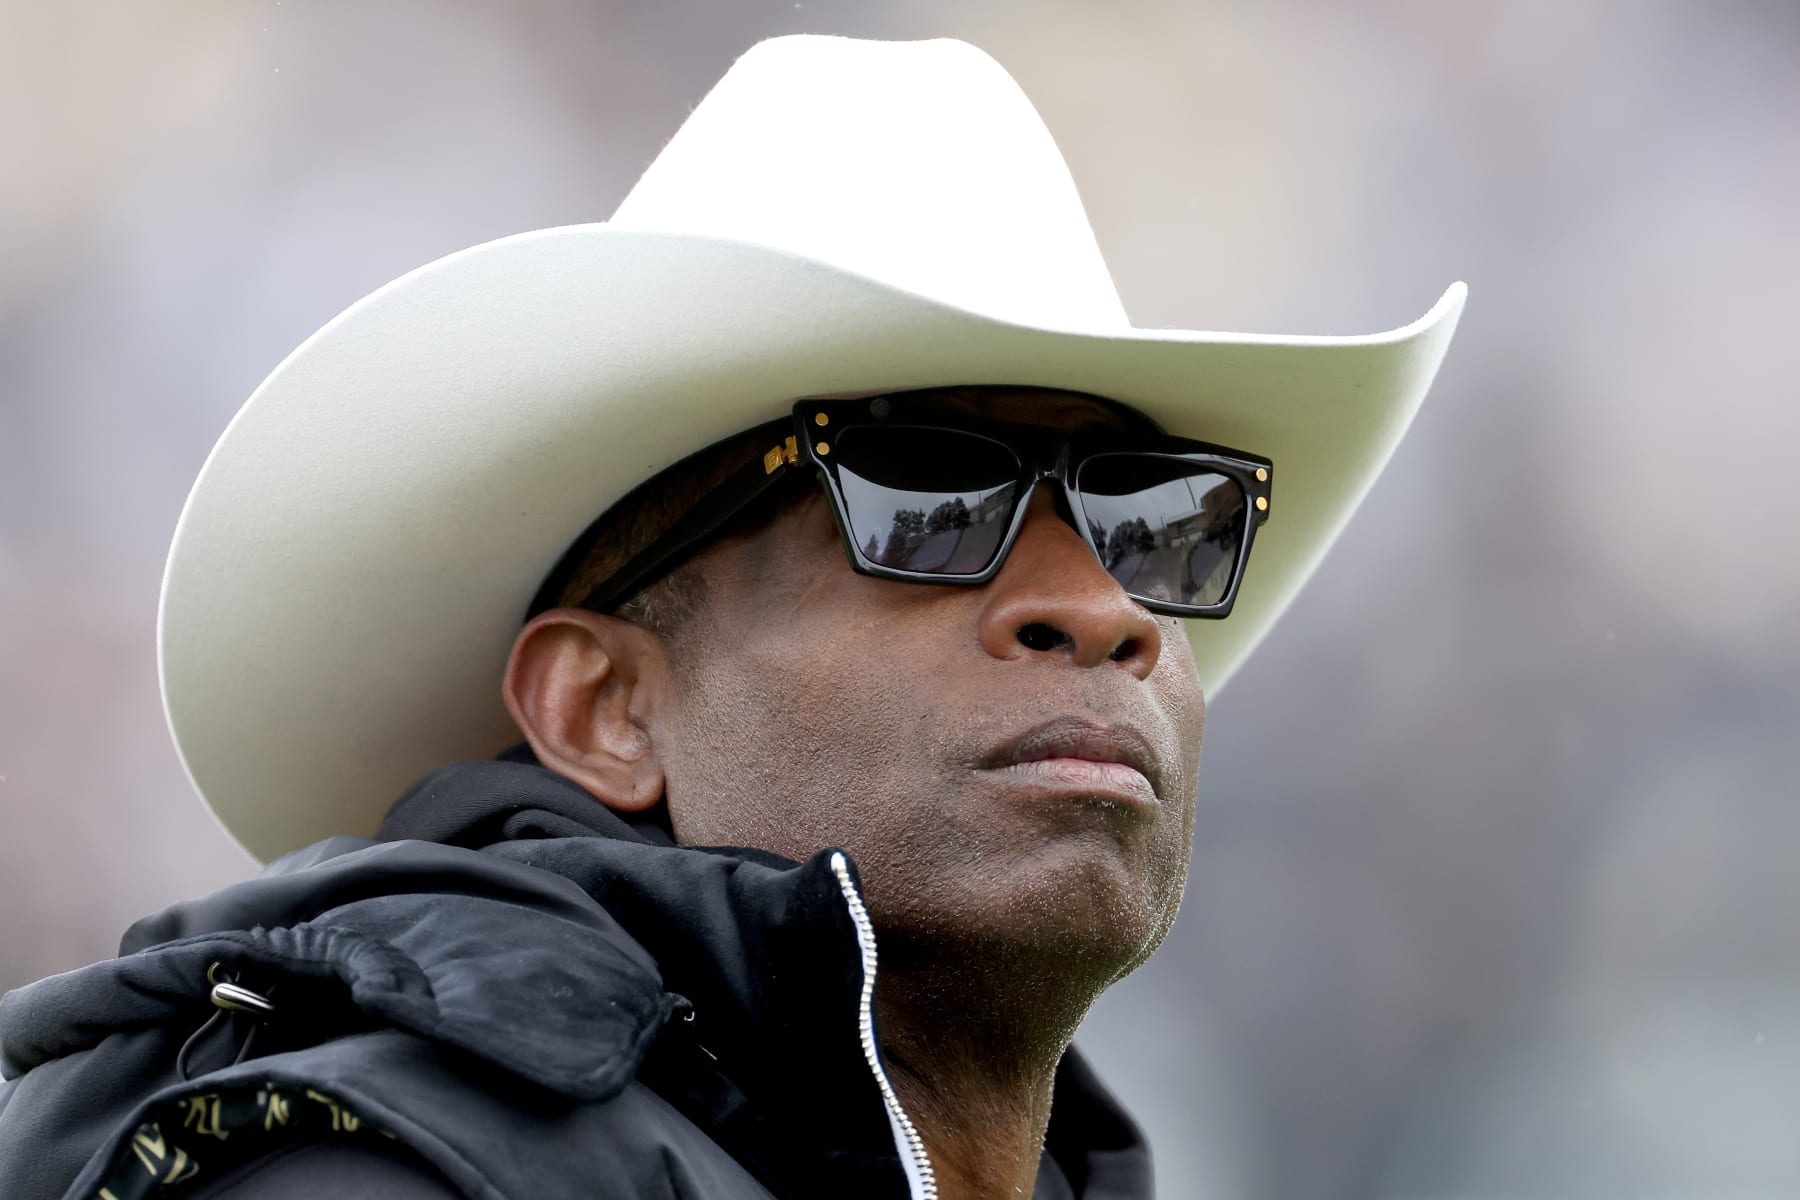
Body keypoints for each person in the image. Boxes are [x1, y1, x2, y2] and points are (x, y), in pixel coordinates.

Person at [0, 33, 1463, 1200]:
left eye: (1153, 519)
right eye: (928, 499)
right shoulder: (369, 1173)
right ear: (603, 710)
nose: (1098, 605)